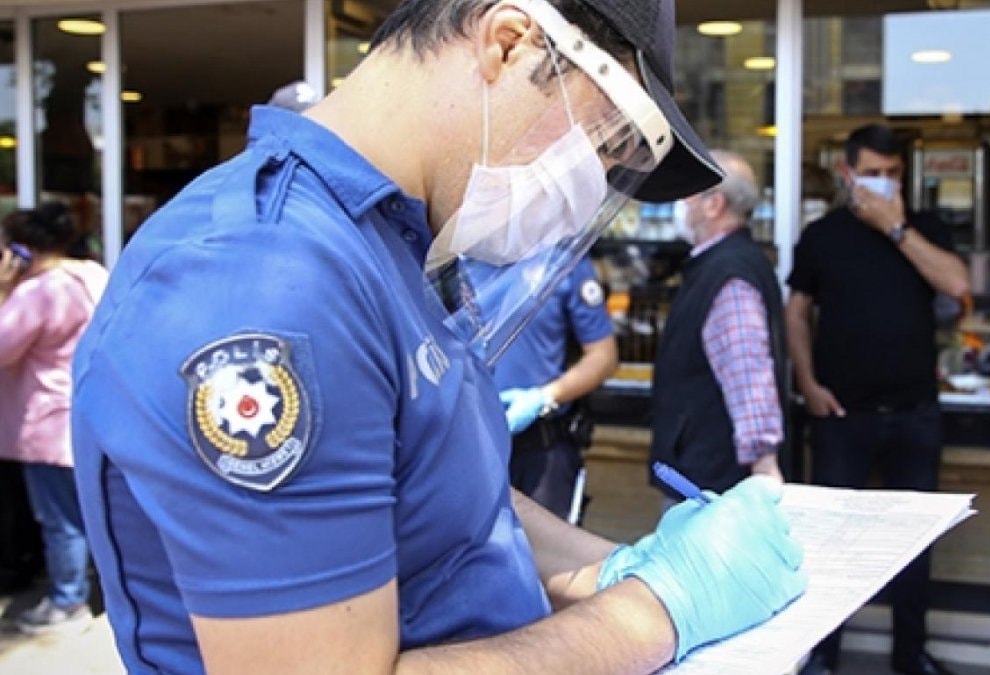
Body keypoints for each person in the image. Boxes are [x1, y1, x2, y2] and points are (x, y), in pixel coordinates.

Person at [70, 1, 808, 673]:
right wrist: (658, 609)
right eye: (608, 140)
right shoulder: (264, 280)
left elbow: (443, 499)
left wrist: (615, 569)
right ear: (511, 43)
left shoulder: (394, 241)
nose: (594, 183)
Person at [787, 123, 969, 675]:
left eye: (891, 173)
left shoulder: (925, 228)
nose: (882, 181)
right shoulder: (823, 236)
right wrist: (808, 384)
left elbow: (957, 285)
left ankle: (910, 655)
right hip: (843, 416)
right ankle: (822, 655)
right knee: (830, 545)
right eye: (872, 173)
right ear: (848, 173)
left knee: (914, 545)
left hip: (914, 414)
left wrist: (896, 228)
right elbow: (797, 313)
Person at [651, 149, 787, 506]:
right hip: (701, 474)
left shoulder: (728, 275)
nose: (681, 203)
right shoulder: (719, 265)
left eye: (688, 193)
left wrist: (763, 466)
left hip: (715, 487)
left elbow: (748, 372)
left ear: (714, 204)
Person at [0, 202, 108, 634]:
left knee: (60, 520)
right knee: (90, 513)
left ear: (21, 251)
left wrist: (4, 290)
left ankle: (67, 601)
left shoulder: (36, 292)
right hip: (89, 414)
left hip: (46, 423)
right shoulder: (92, 275)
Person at [494, 255, 617, 523]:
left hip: (539, 444)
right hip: (467, 441)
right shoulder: (454, 255)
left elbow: (603, 356)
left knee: (548, 545)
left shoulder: (562, 259)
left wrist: (545, 397)